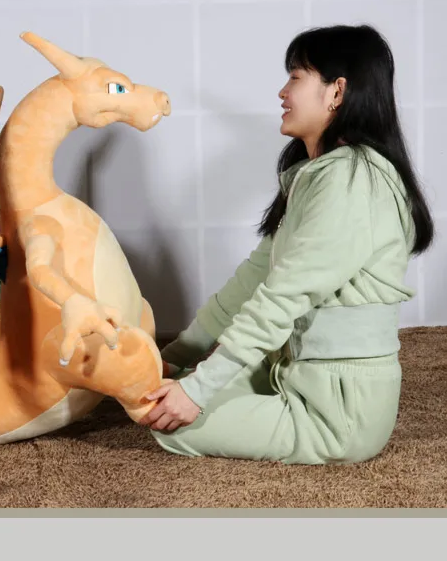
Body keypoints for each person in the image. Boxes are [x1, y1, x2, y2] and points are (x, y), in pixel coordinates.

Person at [138, 24, 435, 465]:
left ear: (337, 92)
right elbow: (252, 280)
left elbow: (281, 298)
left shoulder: (354, 181)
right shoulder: (320, 176)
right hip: (291, 373)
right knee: (167, 393)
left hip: (337, 412)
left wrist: (196, 392)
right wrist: (175, 359)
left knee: (173, 426)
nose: (282, 92)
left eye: (295, 77)